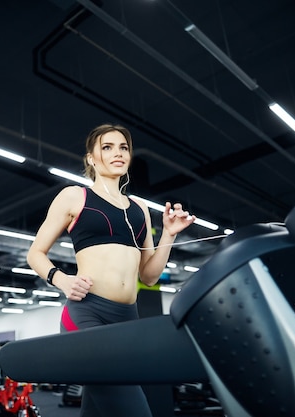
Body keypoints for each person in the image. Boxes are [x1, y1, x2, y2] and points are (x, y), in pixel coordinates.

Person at [26, 123, 196, 417]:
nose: (117, 153)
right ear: (91, 158)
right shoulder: (74, 197)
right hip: (86, 314)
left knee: (98, 409)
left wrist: (169, 234)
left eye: (123, 147)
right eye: (107, 147)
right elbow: (35, 253)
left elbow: (150, 276)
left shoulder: (139, 208)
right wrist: (62, 280)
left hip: (127, 320)